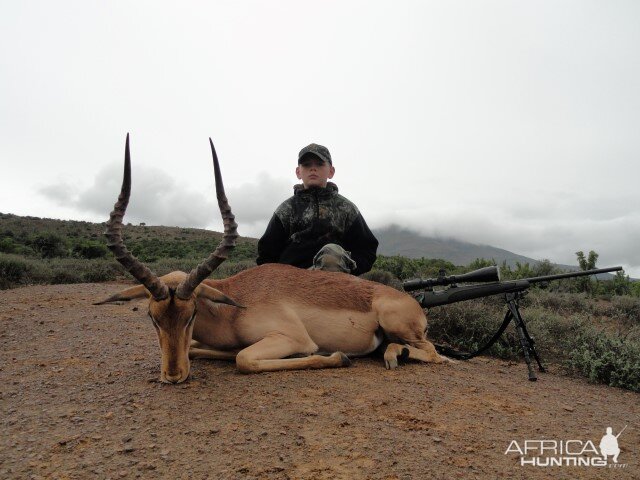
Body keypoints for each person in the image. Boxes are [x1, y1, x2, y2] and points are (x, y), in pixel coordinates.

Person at [257, 143, 378, 275]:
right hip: (292, 281)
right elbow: (266, 252)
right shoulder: (286, 209)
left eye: (319, 164)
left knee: (332, 253)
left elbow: (367, 249)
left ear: (331, 171)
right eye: (307, 165)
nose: (313, 169)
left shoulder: (346, 209)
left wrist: (351, 272)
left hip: (334, 280)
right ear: (298, 172)